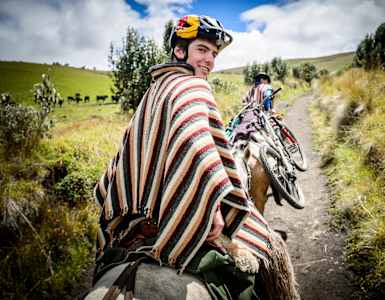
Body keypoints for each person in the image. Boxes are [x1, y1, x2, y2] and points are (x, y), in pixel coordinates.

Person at [92, 15, 274, 299]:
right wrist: (211, 206)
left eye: (214, 54)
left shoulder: (155, 88)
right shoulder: (193, 86)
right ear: (180, 50)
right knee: (256, 257)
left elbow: (132, 154)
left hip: (142, 214)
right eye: (202, 49)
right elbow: (197, 148)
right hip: (184, 214)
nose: (210, 60)